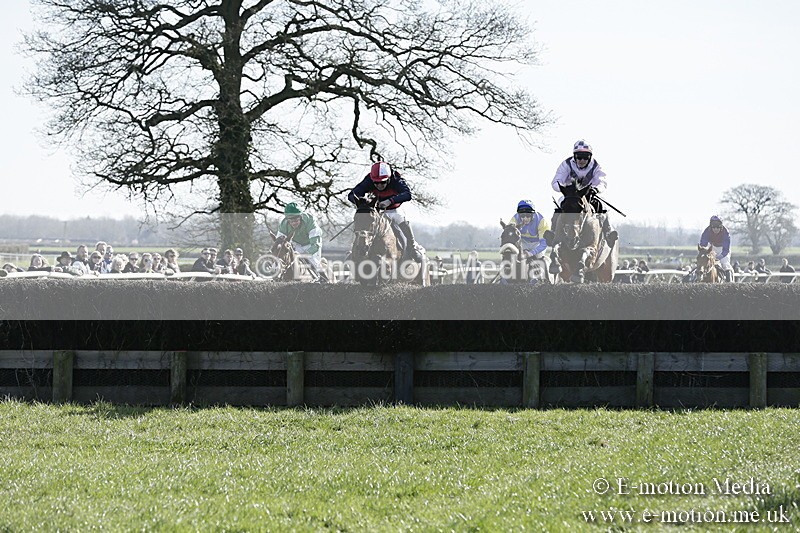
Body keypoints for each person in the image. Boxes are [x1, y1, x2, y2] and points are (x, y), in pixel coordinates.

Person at [545, 140, 618, 250]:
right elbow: (556, 182)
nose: (582, 160)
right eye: (579, 157)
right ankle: (554, 231)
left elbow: (602, 181)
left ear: (590, 157)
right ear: (574, 156)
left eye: (585, 157)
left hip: (589, 193)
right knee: (560, 202)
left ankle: (608, 232)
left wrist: (596, 189)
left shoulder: (596, 166)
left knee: (602, 204)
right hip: (572, 195)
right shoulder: (566, 164)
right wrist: (565, 189)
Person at [347, 161, 423, 262]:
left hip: (393, 209)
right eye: (376, 183)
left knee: (400, 219)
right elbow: (351, 195)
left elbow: (407, 194)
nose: (379, 185)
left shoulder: (396, 179)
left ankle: (412, 247)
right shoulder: (369, 179)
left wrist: (390, 201)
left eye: (382, 182)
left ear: (388, 178)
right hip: (375, 210)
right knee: (363, 224)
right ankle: (356, 252)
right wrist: (363, 202)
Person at [276, 202, 329, 283]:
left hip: (311, 245)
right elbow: (279, 243)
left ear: (300, 217)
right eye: (291, 221)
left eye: (296, 220)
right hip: (297, 245)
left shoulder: (310, 221)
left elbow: (315, 245)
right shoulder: (284, 224)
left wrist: (304, 254)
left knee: (313, 260)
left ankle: (324, 279)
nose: (293, 223)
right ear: (287, 219)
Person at [698, 215, 734, 282]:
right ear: (711, 227)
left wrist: (719, 257)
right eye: (714, 227)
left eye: (717, 227)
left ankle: (730, 283)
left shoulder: (726, 233)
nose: (715, 229)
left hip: (723, 250)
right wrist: (703, 253)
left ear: (721, 227)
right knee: (702, 264)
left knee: (725, 265)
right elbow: (703, 244)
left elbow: (726, 249)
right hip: (712, 247)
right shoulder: (707, 231)